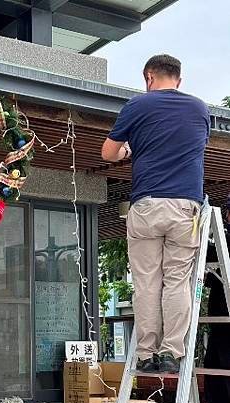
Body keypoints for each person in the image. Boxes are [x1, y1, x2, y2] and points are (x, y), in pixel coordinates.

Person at [102, 54, 210, 373]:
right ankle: (173, 352)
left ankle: (146, 354)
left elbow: (108, 153)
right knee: (177, 281)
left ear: (149, 77)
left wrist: (128, 150)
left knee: (147, 282)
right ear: (179, 78)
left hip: (147, 204)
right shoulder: (200, 108)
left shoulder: (138, 105)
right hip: (186, 207)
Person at [201, 196, 230, 403]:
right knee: (217, 393)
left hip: (224, 329)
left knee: (221, 393)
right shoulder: (221, 244)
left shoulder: (224, 244)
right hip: (219, 327)